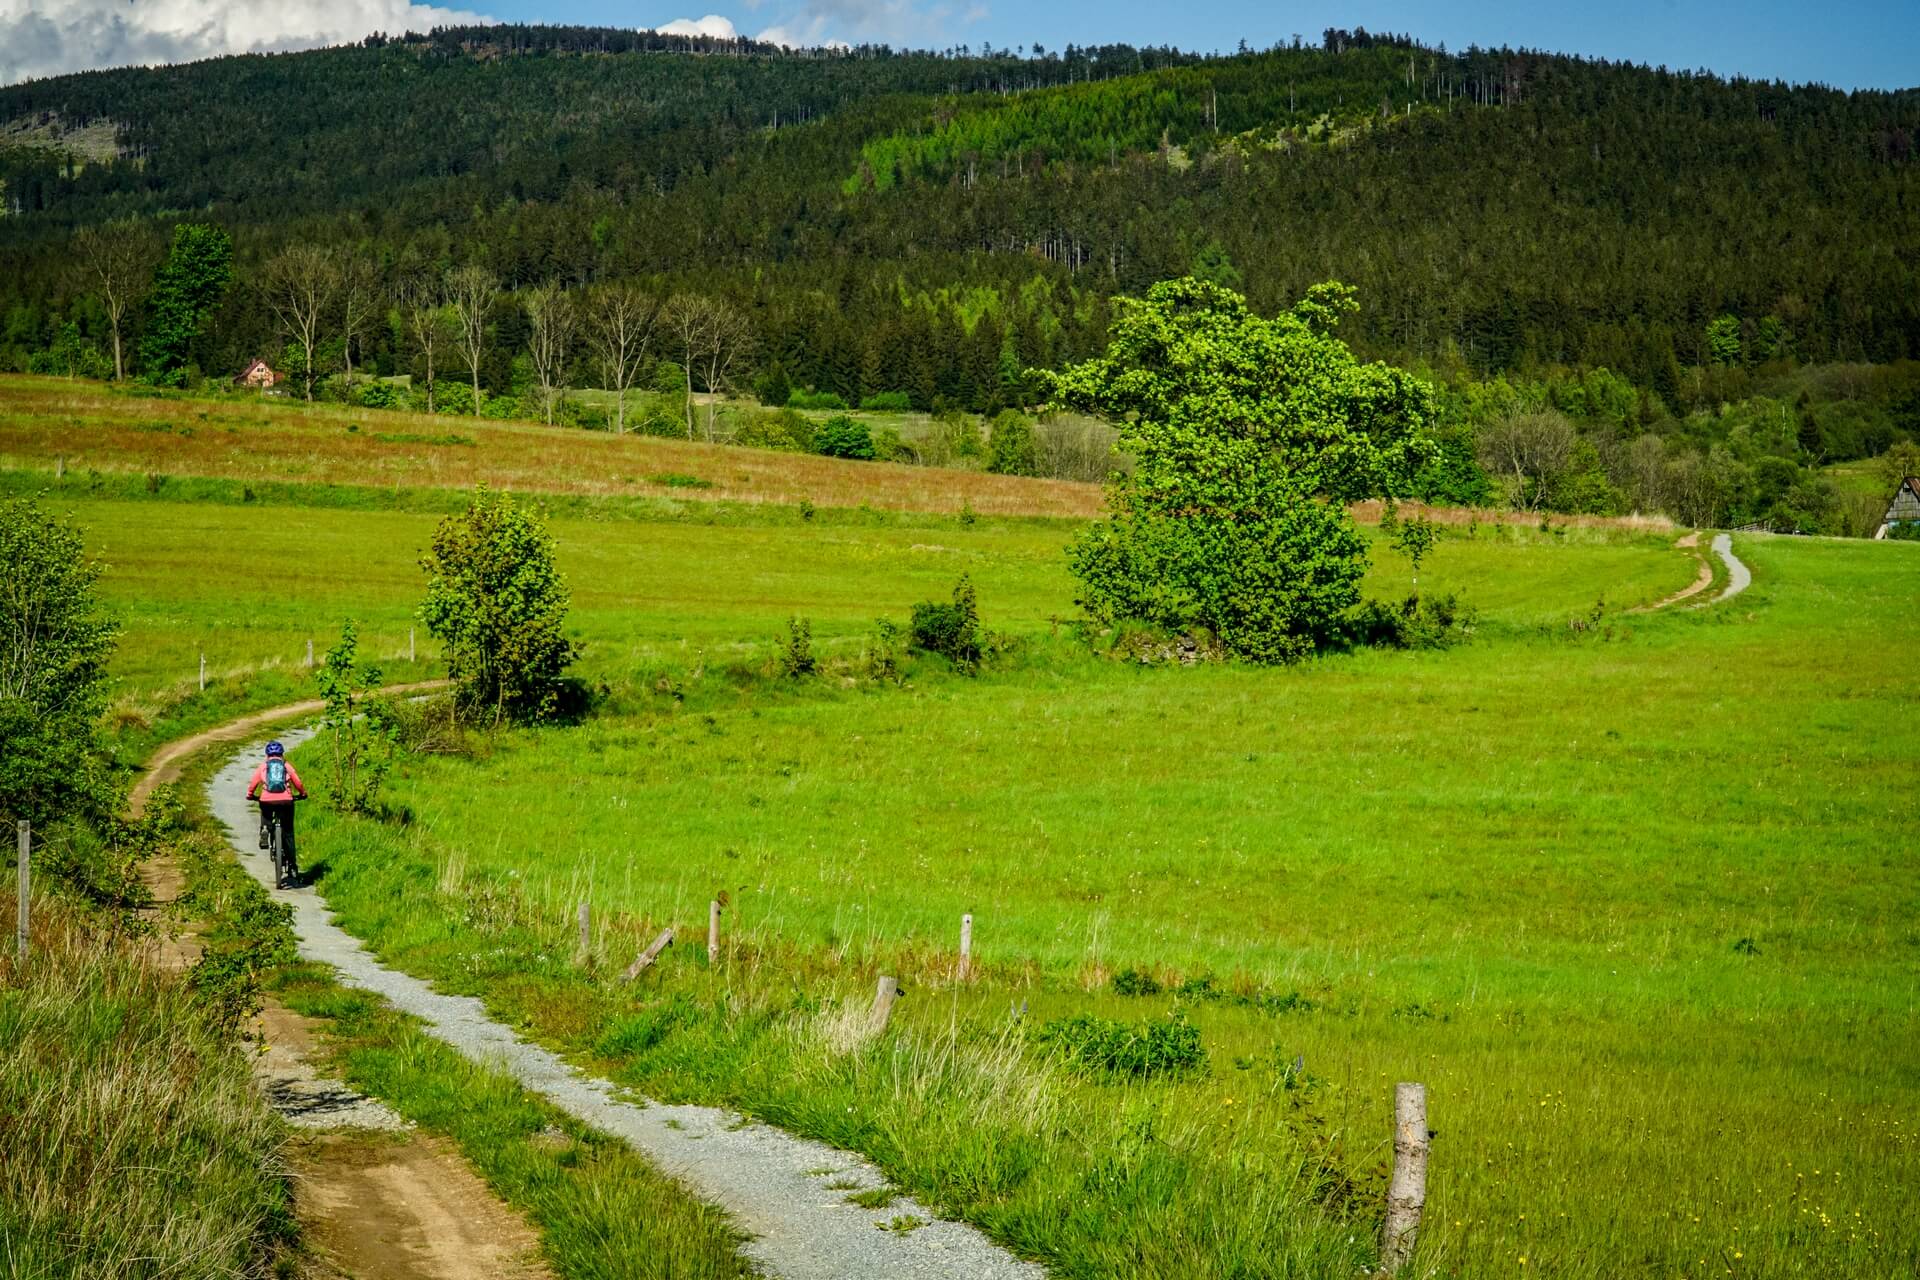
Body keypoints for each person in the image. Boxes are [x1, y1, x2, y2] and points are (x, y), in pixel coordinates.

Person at [246, 740, 308, 887]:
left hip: (267, 800)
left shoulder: (263, 766)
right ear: (282, 753)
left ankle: (265, 828)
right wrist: (303, 793)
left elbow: (254, 783)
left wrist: (250, 794)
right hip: (286, 801)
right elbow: (297, 782)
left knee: (265, 810)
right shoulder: (286, 765)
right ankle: (292, 866)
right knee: (288, 833)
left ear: (267, 754)